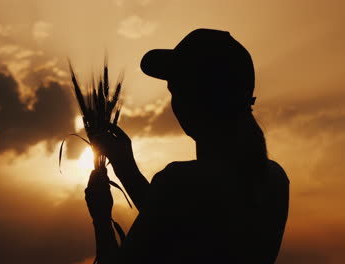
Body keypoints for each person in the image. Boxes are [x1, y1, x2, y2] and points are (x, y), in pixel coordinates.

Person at [85, 28, 289, 264]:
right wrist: (127, 170)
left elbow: (176, 210)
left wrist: (101, 219)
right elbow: (186, 222)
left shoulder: (178, 182)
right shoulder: (275, 181)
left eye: (174, 90)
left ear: (190, 102)